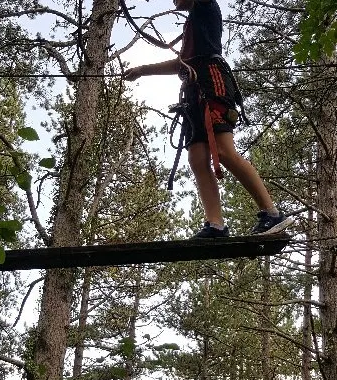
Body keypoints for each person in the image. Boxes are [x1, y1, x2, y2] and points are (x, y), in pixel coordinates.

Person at [123, 0, 292, 238]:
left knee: (223, 151)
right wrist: (142, 70)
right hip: (193, 91)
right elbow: (181, 63)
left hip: (213, 82)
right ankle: (216, 225)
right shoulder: (193, 24)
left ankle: (272, 213)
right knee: (197, 158)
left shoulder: (204, 5)